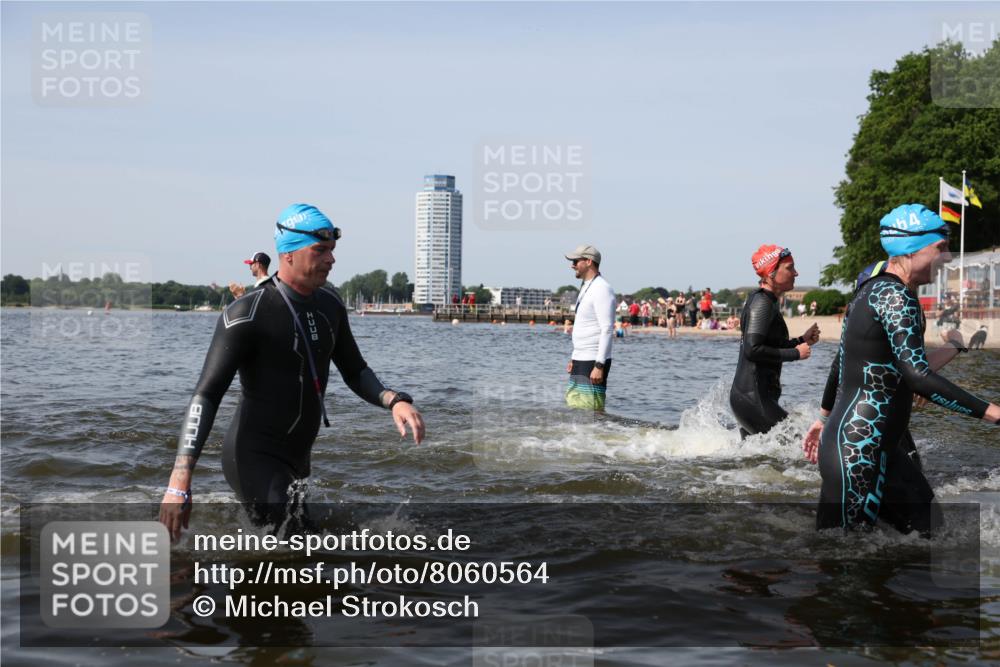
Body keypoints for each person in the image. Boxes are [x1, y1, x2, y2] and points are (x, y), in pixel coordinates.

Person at [159, 203, 425, 540]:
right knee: (300, 547)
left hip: (298, 458)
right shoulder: (246, 314)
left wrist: (394, 400)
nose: (331, 259)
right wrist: (179, 483)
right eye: (320, 250)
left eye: (332, 250)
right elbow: (206, 395)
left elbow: (355, 370)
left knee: (300, 545)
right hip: (253, 455)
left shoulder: (330, 305)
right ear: (288, 255)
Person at [814, 204, 999, 535]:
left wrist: (822, 418)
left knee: (930, 532)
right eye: (940, 248)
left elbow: (847, 363)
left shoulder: (875, 291)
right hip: (858, 451)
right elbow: (917, 376)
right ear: (911, 248)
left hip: (876, 445)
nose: (947, 258)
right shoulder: (896, 296)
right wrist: (992, 413)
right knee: (841, 562)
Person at [729, 244, 820, 440]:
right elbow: (752, 349)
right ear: (771, 273)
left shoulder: (766, 301)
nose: (796, 273)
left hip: (753, 398)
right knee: (801, 445)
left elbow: (769, 345)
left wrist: (801, 341)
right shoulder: (762, 303)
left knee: (755, 463)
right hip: (753, 399)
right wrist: (795, 353)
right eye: (789, 268)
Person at [564, 245, 616, 411]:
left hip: (593, 360)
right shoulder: (586, 286)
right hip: (581, 357)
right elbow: (584, 325)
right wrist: (574, 357)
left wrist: (599, 366)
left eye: (575, 261)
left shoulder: (602, 288)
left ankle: (600, 437)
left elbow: (607, 329)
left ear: (588, 262)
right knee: (574, 406)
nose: (572, 265)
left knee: (590, 411)